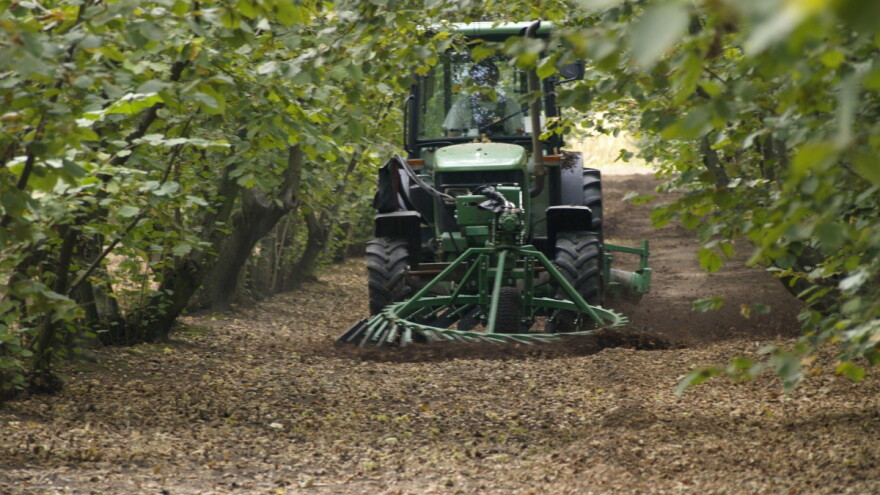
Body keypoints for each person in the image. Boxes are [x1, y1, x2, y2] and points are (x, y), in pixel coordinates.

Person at [442, 61, 523, 137]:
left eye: (489, 77)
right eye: (479, 78)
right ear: (473, 80)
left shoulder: (509, 104)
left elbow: (517, 135)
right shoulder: (461, 106)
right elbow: (452, 137)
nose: (484, 81)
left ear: (496, 79)